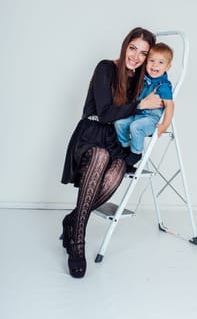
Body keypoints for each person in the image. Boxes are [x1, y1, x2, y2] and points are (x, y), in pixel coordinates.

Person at [61, 27, 163, 278]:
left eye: (143, 53)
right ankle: (78, 244)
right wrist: (140, 105)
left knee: (116, 172)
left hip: (116, 140)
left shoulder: (142, 80)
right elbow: (106, 113)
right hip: (92, 133)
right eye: (133, 48)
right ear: (125, 45)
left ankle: (72, 220)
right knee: (101, 157)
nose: (136, 57)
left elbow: (146, 112)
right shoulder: (105, 68)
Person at [114, 42, 174, 170]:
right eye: (151, 61)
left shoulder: (163, 85)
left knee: (136, 127)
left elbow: (170, 106)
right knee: (119, 123)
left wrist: (164, 125)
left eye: (160, 62)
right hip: (137, 115)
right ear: (146, 63)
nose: (155, 65)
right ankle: (126, 147)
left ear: (168, 67)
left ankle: (136, 153)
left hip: (150, 121)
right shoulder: (143, 79)